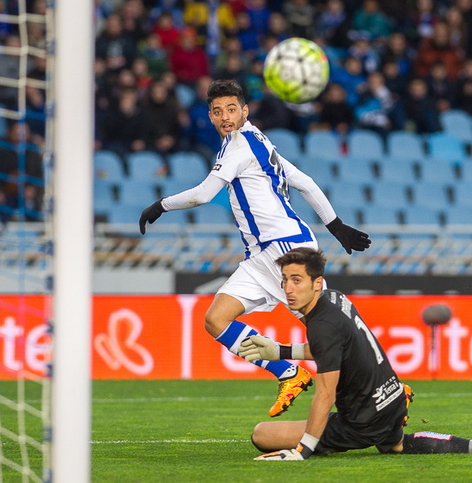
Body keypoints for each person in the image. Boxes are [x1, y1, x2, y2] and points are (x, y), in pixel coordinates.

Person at [138, 80, 371, 417]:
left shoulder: (239, 147)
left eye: (231, 109)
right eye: (218, 111)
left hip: (288, 250)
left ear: (244, 111)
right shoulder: (255, 140)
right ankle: (289, 373)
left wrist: (160, 205)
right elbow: (302, 181)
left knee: (326, 329)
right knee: (216, 320)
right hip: (260, 256)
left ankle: (380, 387)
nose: (225, 116)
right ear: (210, 116)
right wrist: (335, 226)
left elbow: (204, 194)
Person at [240, 247, 472, 461]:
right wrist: (281, 350)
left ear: (316, 283)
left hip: (362, 420)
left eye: (297, 280)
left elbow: (325, 394)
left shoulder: (322, 326)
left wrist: (305, 448)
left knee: (261, 434)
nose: (288, 289)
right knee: (397, 445)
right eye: (285, 280)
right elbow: (336, 349)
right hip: (392, 396)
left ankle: (329, 442)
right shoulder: (335, 297)